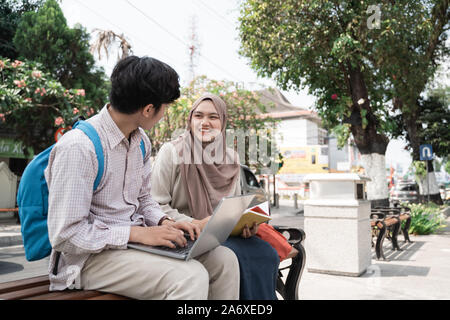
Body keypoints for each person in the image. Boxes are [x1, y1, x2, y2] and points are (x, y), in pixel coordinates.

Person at [44, 56, 240, 300]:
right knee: (189, 278)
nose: (164, 113)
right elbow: (66, 236)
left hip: (134, 246)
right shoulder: (79, 147)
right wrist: (136, 234)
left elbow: (145, 199)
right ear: (148, 109)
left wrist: (163, 222)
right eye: (165, 107)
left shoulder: (140, 142)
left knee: (224, 260)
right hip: (88, 260)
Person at [151, 93, 280, 300]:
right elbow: (155, 205)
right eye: (198, 116)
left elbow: (234, 206)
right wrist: (196, 223)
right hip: (187, 235)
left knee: (267, 254)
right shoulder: (172, 152)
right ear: (190, 120)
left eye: (213, 117)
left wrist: (245, 225)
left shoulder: (231, 158)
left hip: (224, 234)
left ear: (223, 122)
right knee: (235, 258)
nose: (205, 123)